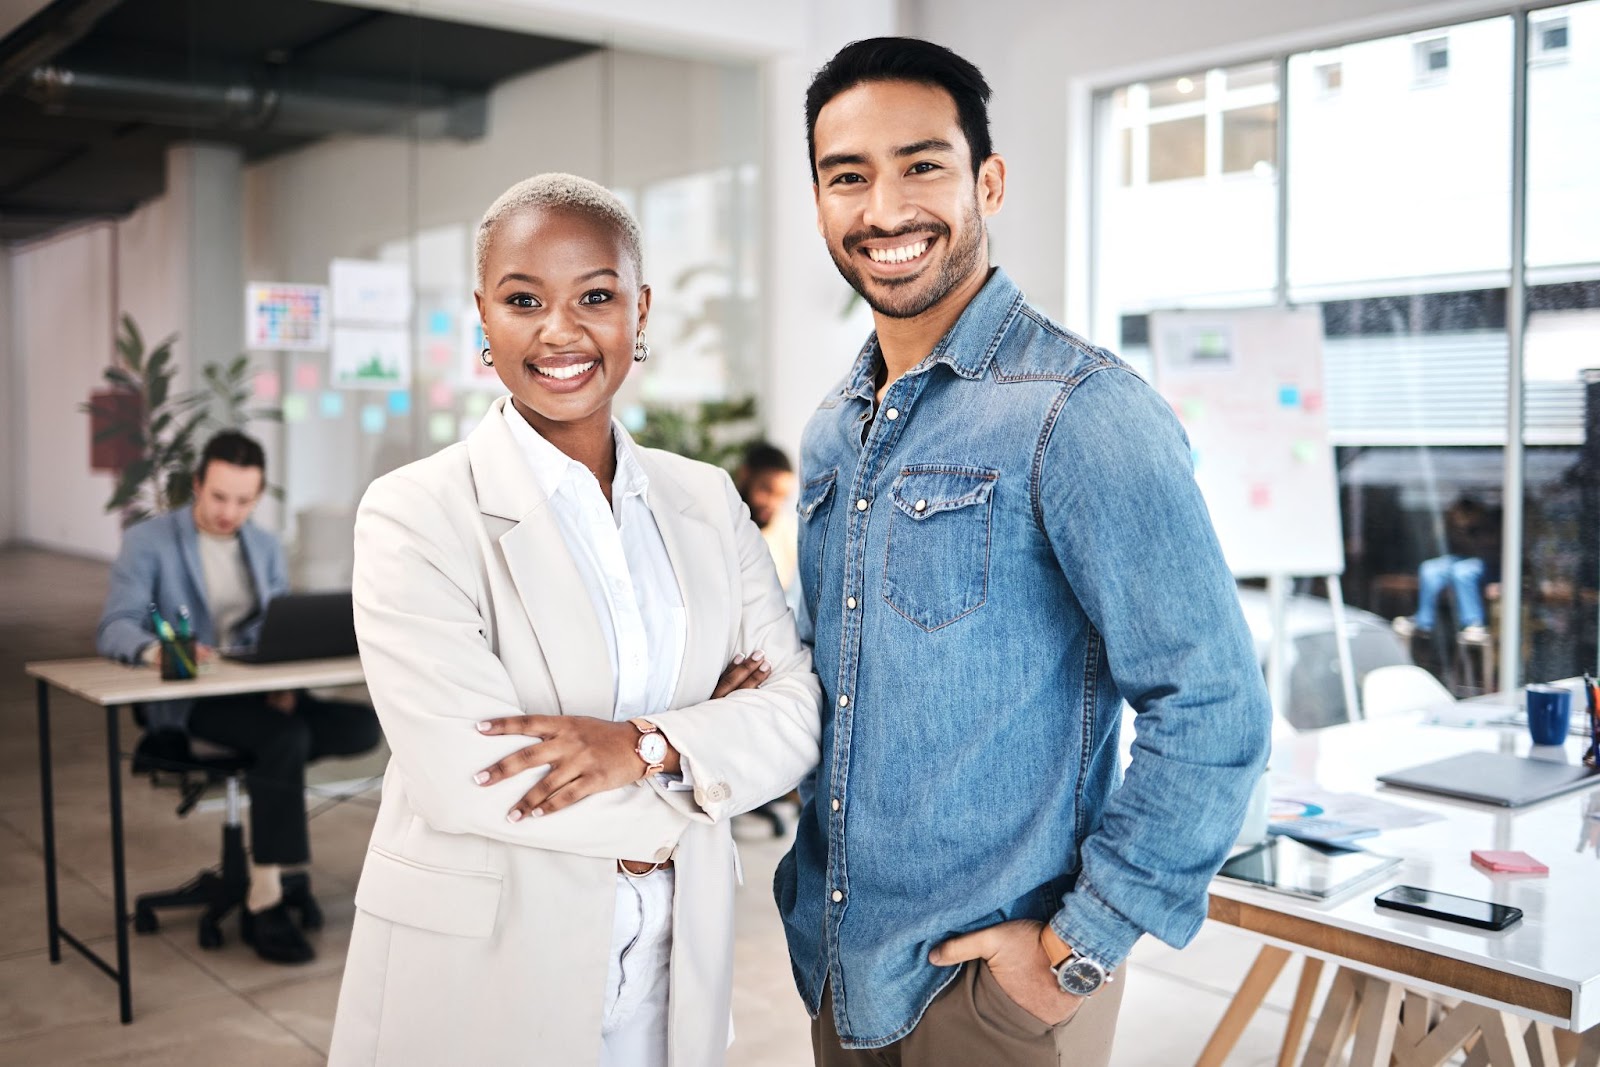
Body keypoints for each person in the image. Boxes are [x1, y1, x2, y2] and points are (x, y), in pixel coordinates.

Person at [775, 38, 1273, 1066]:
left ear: (986, 181)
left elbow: (1214, 706)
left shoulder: (1079, 412)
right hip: (838, 968)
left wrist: (1074, 950)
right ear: (819, 203)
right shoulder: (834, 431)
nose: (884, 209)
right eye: (847, 175)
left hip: (989, 991)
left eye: (922, 164)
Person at [328, 173, 822, 1067]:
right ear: (483, 316)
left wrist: (637, 744)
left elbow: (792, 716)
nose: (561, 331)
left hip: (673, 960)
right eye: (524, 300)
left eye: (595, 296)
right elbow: (467, 771)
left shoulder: (706, 499)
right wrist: (699, 768)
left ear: (640, 308)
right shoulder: (416, 512)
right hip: (488, 959)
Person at [97, 430, 382, 965]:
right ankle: (268, 895)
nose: (231, 512)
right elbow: (114, 625)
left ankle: (272, 867)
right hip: (191, 701)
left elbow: (275, 626)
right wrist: (153, 652)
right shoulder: (149, 542)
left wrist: (281, 681)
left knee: (360, 727)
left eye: (244, 501)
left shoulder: (264, 545)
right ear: (197, 486)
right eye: (219, 497)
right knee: (285, 739)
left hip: (256, 689)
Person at [1392, 495, 1500, 644]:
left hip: (1488, 565)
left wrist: (1473, 534)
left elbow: (1490, 550)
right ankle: (1423, 621)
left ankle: (1473, 623)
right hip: (1459, 560)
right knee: (1429, 568)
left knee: (1463, 572)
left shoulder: (1490, 524)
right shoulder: (1452, 525)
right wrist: (1454, 529)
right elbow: (1444, 545)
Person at [735, 441, 799, 591]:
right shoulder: (715, 520)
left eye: (782, 497)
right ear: (745, 475)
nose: (773, 504)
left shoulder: (788, 535)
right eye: (766, 490)